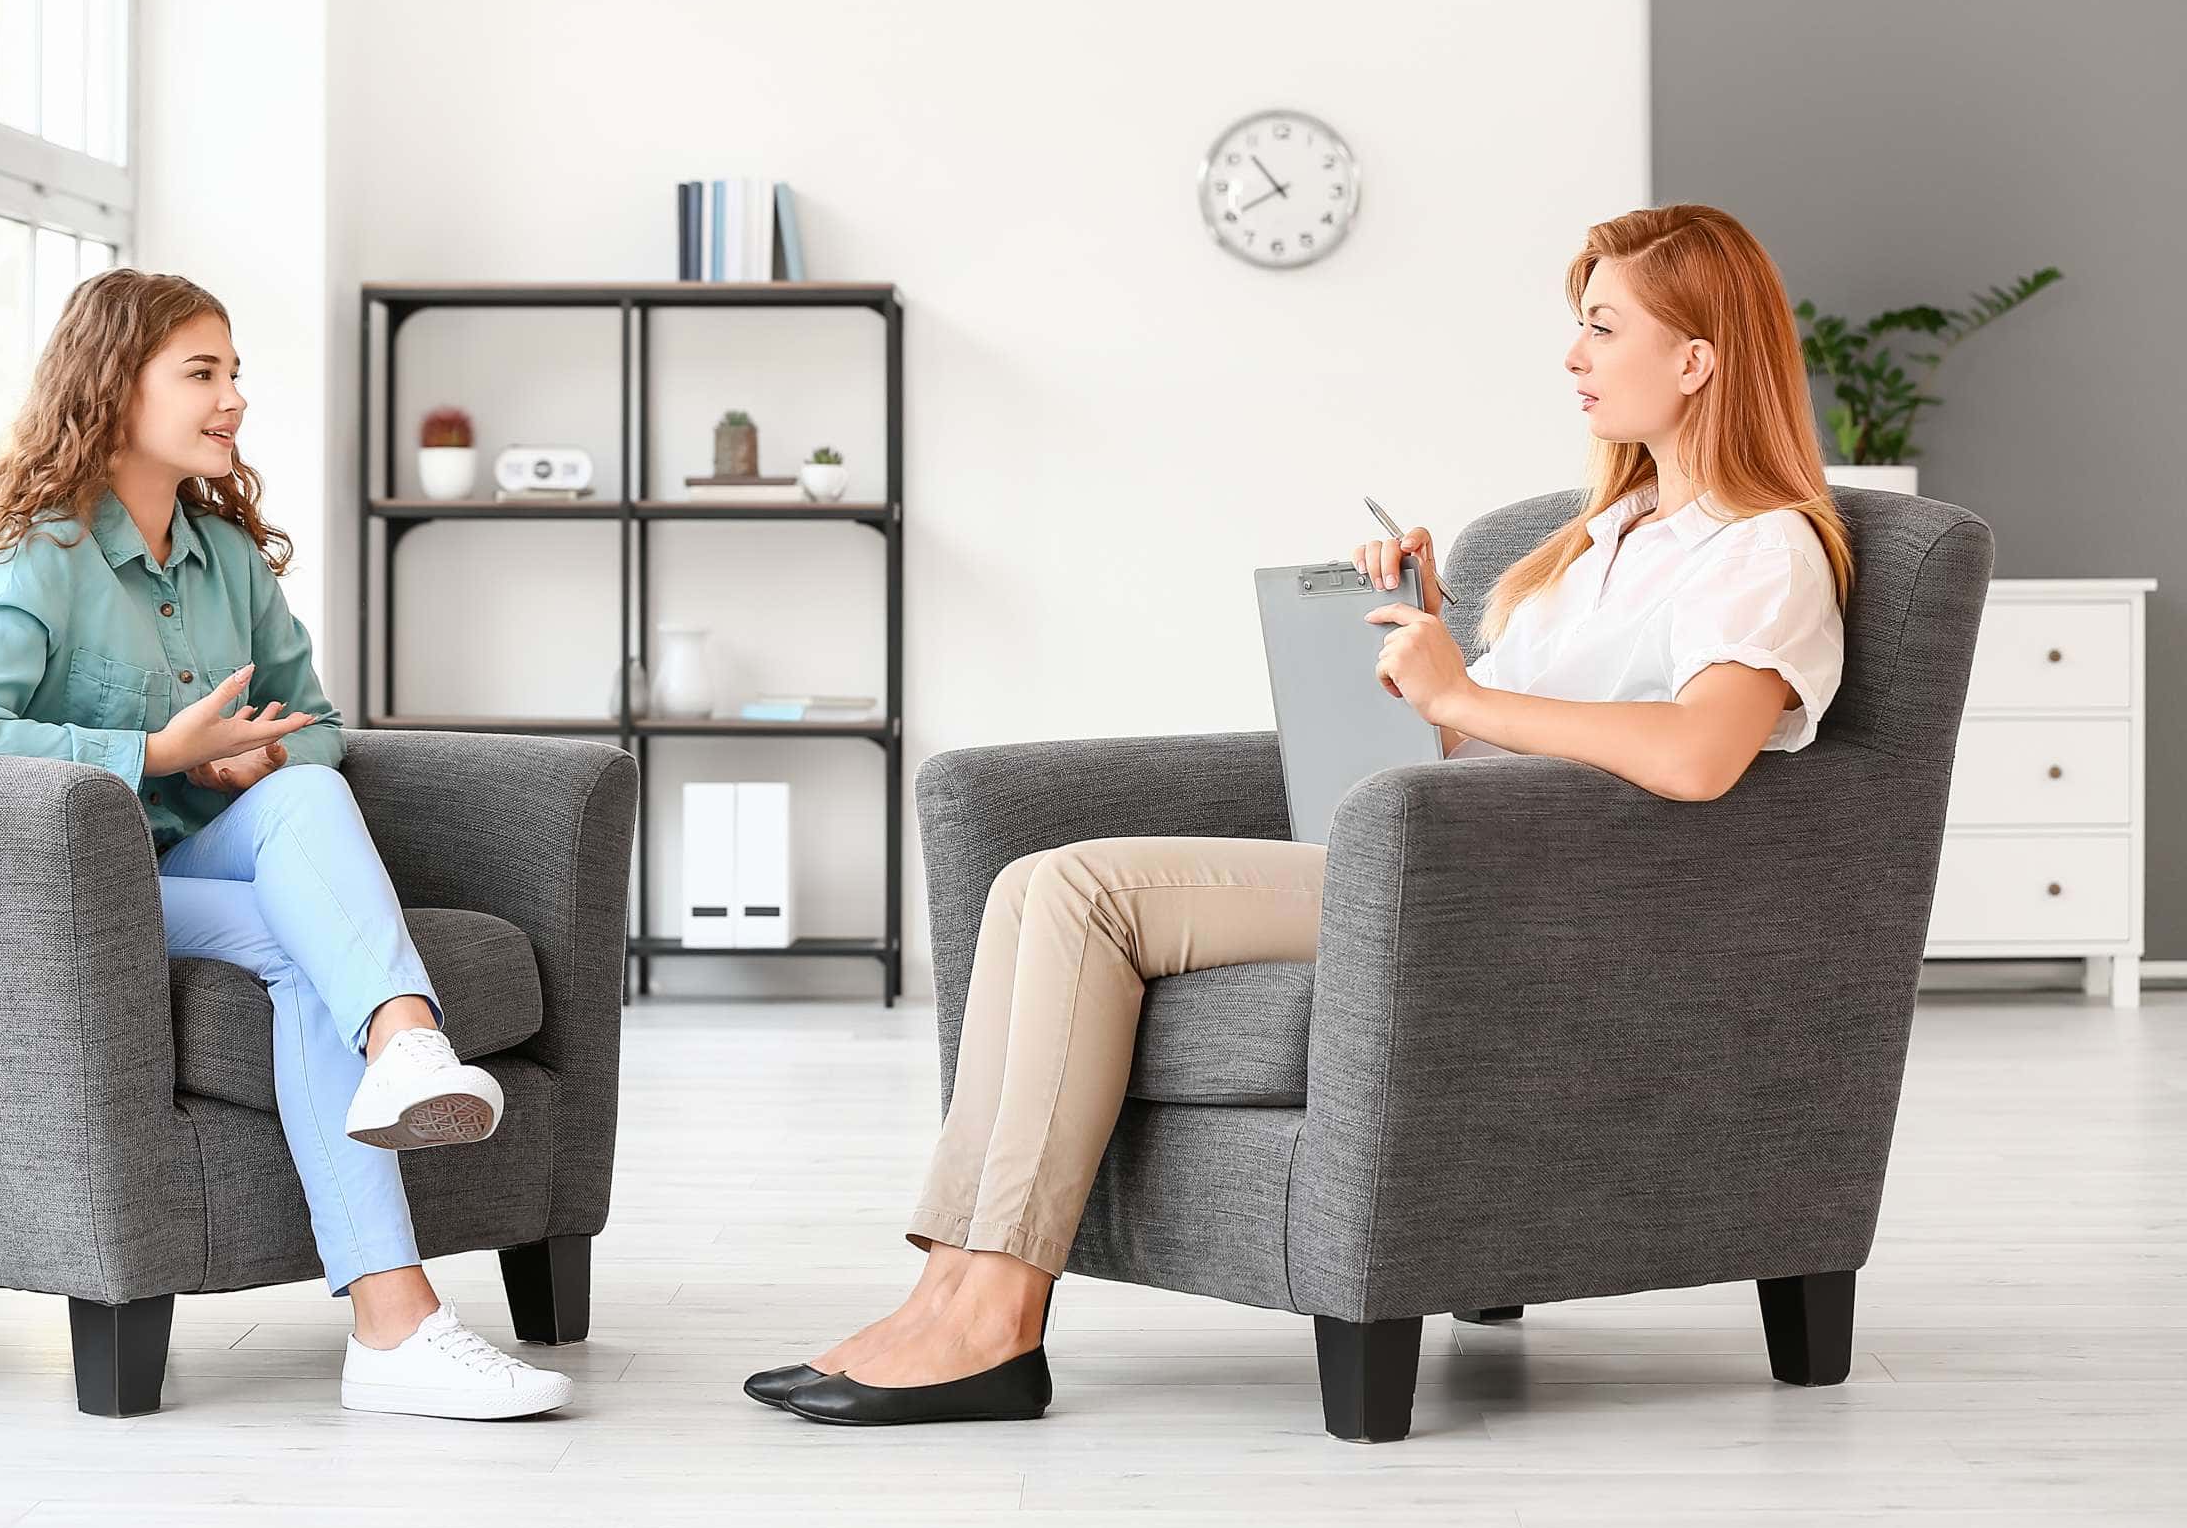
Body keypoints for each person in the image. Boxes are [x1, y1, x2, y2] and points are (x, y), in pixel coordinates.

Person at [749, 202, 1855, 1428]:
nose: (1573, 356)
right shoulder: (1590, 544)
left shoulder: (1765, 550)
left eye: (1602, 328)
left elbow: (1703, 757)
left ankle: (996, 1322)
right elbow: (1478, 734)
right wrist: (1420, 644)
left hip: (1531, 906)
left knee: (1077, 887)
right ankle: (949, 1291)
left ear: (1696, 360)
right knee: (1028, 880)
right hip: (1442, 863)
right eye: (1576, 327)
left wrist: (1470, 690)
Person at [0, 268, 571, 1422]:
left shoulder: (226, 559)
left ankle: (404, 1054)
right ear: (116, 389)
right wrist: (160, 754)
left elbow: (316, 724)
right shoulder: (42, 555)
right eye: (202, 374)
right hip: (93, 889)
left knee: (309, 805)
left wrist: (257, 760)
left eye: (235, 376)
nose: (233, 401)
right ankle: (392, 1324)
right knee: (302, 947)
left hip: (215, 855)